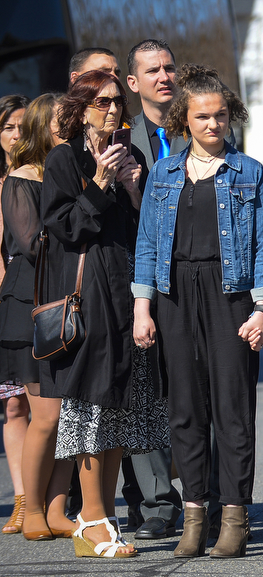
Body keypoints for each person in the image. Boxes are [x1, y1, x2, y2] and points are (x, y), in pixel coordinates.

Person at [132, 63, 263, 559]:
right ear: (184, 122)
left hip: (230, 295)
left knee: (233, 411)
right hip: (173, 295)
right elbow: (148, 242)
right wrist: (142, 307)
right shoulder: (165, 173)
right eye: (202, 117)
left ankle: (234, 515)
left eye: (220, 116)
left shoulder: (249, 172)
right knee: (185, 410)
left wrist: (262, 309)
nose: (213, 125)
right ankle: (195, 515)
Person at [40, 69, 169, 558]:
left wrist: (136, 190)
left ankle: (104, 517)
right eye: (101, 103)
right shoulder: (64, 158)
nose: (112, 110)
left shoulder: (131, 153)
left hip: (130, 292)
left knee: (119, 409)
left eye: (117, 102)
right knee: (93, 406)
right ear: (80, 108)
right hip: (89, 294)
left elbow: (146, 228)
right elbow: (66, 229)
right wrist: (97, 182)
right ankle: (89, 518)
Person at [2, 93, 78, 542]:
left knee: (68, 416)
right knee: (45, 415)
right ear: (39, 125)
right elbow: (36, 244)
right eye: (59, 121)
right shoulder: (22, 177)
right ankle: (30, 508)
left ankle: (55, 510)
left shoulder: (68, 171)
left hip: (67, 302)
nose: (67, 127)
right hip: (29, 308)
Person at [119, 37, 183, 542]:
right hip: (139, 286)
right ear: (133, 83)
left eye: (169, 68)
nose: (164, 76)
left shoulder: (206, 128)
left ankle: (203, 491)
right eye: (152, 71)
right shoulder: (122, 141)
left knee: (191, 393)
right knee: (143, 393)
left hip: (197, 283)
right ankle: (159, 501)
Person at [0, 93, 29, 535]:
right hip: (6, 302)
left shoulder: (39, 173)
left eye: (23, 125)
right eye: (7, 127)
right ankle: (22, 500)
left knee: (42, 403)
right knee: (14, 404)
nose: (17, 134)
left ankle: (43, 498)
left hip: (32, 301)